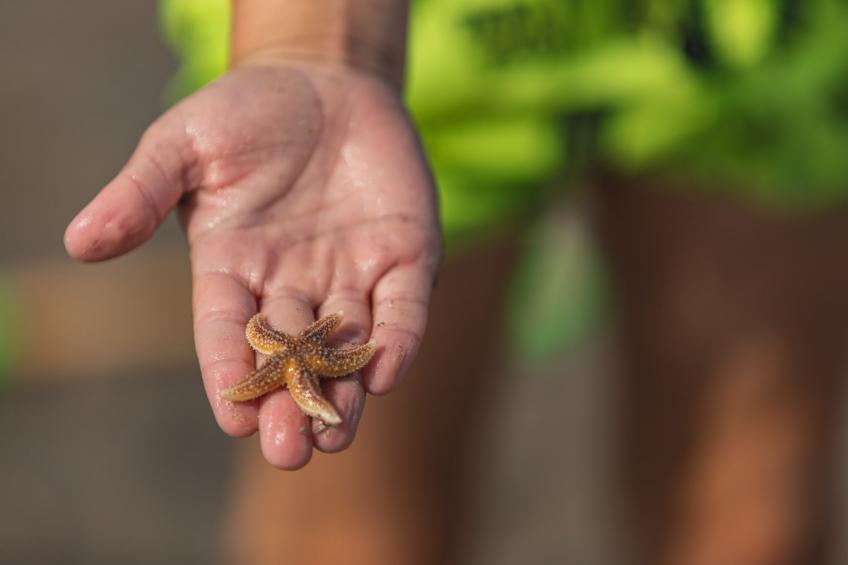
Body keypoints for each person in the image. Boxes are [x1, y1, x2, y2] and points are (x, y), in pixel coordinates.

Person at [64, 0, 441, 470]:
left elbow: (303, 339)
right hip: (387, 130)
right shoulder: (292, 349)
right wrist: (308, 47)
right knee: (375, 497)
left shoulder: (297, 346)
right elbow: (282, 343)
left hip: (455, 129)